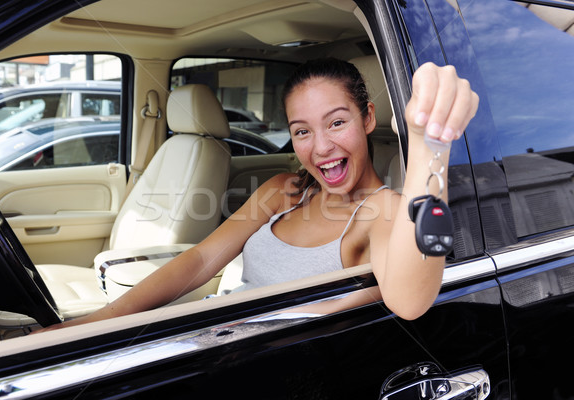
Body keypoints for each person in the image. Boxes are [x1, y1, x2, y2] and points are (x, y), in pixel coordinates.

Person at [37, 58, 478, 332]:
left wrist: (429, 151)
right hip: (205, 331)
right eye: (302, 131)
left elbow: (411, 300)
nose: (320, 147)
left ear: (368, 118)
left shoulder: (384, 211)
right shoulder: (282, 190)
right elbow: (198, 262)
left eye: (337, 122)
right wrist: (94, 324)